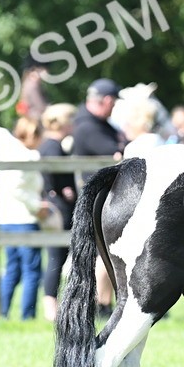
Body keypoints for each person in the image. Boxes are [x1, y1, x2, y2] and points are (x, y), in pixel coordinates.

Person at [71, 78, 125, 316]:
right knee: (105, 252)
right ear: (107, 100)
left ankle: (104, 302)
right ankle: (102, 303)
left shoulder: (97, 124)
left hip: (103, 196)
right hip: (98, 198)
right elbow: (116, 151)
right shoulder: (88, 127)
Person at [0, 117, 50, 321]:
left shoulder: (4, 154)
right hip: (24, 219)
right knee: (31, 271)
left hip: (5, 219)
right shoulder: (25, 157)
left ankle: (2, 312)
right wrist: (37, 207)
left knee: (12, 269)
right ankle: (27, 315)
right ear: (33, 135)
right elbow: (17, 188)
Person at [39, 103, 77, 322]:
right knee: (56, 257)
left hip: (55, 205)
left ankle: (52, 306)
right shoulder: (53, 147)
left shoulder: (48, 145)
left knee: (57, 257)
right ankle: (51, 308)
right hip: (60, 207)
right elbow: (53, 175)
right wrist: (63, 190)